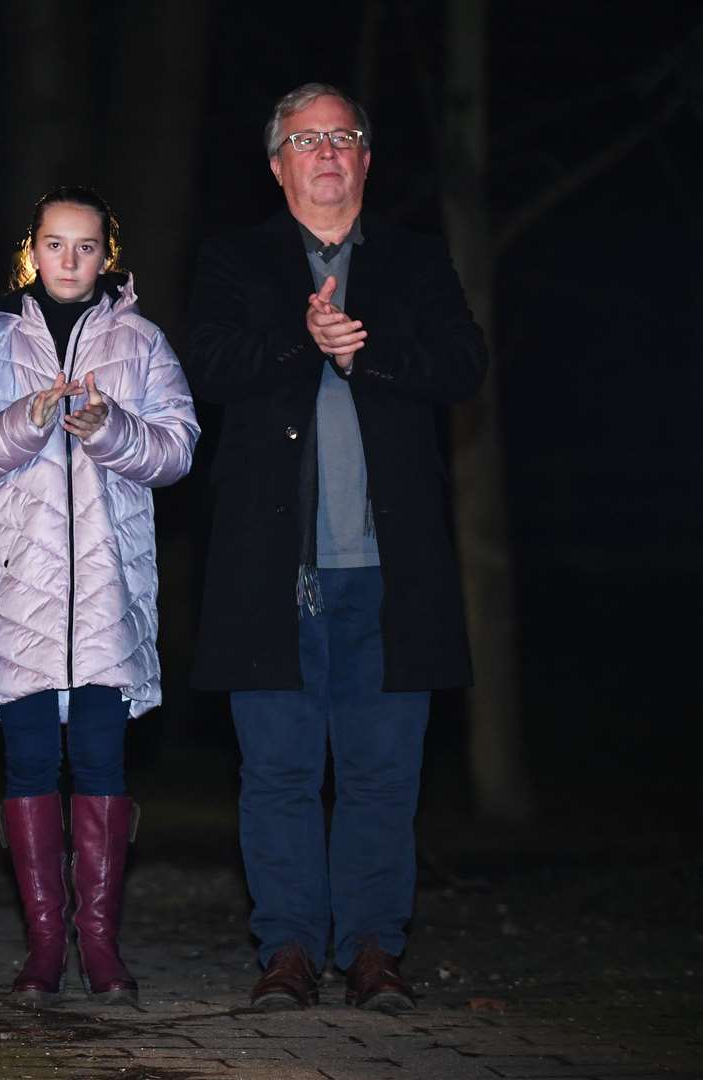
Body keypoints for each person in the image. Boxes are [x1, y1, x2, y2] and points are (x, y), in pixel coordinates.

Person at [184, 84, 488, 1012]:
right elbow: (207, 364)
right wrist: (302, 339)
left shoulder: (415, 260)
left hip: (393, 577)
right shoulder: (234, 261)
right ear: (277, 164)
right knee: (275, 771)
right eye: (306, 139)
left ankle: (371, 950)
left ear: (365, 159)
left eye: (343, 136)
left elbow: (463, 367)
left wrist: (364, 355)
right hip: (268, 574)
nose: (326, 152)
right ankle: (286, 950)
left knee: (380, 773)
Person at [0, 187, 199, 1005]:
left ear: (106, 254)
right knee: (28, 766)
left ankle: (102, 949)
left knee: (101, 763)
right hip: (17, 599)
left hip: (108, 598)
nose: (71, 260)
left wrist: (109, 427)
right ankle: (44, 948)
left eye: (86, 246)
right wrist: (28, 421)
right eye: (56, 244)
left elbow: (179, 450)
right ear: (31, 250)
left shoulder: (142, 341)